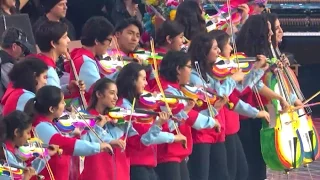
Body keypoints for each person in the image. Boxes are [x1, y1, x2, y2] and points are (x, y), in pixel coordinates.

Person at [187, 31, 269, 180]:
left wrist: (256, 70)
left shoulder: (212, 73)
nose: (219, 52)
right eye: (215, 48)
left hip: (217, 131)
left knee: (226, 174)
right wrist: (231, 79)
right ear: (204, 52)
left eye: (219, 48)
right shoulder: (194, 75)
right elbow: (214, 97)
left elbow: (237, 90)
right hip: (203, 133)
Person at [235, 14, 290, 180]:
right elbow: (253, 85)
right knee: (251, 160)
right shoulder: (243, 58)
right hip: (245, 114)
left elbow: (259, 83)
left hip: (261, 110)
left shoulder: (262, 55)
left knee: (259, 158)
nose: (272, 34)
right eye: (268, 32)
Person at [153, 51, 219, 180]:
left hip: (177, 152)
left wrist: (214, 111)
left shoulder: (176, 89)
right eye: (189, 67)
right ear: (178, 69)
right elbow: (183, 116)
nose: (190, 71)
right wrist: (212, 122)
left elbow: (186, 115)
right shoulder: (166, 90)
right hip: (167, 152)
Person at [23, 85, 113, 180]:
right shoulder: (41, 126)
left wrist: (97, 128)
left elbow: (75, 144)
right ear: (52, 109)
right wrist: (98, 147)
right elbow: (66, 144)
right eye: (62, 102)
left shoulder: (51, 124)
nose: (65, 105)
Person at [116, 63, 186, 180]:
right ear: (133, 81)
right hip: (136, 163)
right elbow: (143, 138)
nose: (146, 83)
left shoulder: (138, 105)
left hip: (147, 162)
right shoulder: (124, 106)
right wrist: (166, 132)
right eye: (143, 79)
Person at [0, 110, 56, 180]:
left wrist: (47, 154)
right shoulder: (6, 157)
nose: (30, 137)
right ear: (17, 132)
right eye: (28, 132)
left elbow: (27, 170)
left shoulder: (10, 151)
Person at [34, 21, 85, 96]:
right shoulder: (48, 72)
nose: (69, 40)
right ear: (53, 43)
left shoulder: (38, 61)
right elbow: (53, 102)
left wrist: (68, 88)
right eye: (64, 37)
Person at [69, 16, 114, 101]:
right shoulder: (87, 63)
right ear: (97, 41)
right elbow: (101, 94)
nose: (110, 45)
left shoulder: (81, 54)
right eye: (109, 40)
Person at [0, 27, 32, 104]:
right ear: (14, 46)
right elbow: (18, 88)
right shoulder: (5, 62)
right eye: (23, 48)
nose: (23, 53)